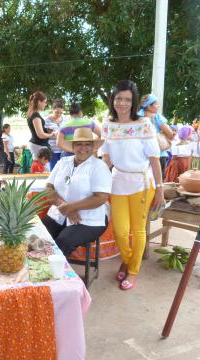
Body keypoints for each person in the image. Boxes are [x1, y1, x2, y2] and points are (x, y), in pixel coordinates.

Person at [101, 80, 164, 291]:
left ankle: (133, 270)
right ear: (113, 100)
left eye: (127, 99)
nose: (122, 103)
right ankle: (128, 260)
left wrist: (161, 189)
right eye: (119, 98)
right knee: (120, 231)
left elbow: (155, 159)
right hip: (117, 182)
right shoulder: (108, 125)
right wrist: (98, 181)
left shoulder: (144, 124)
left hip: (142, 183)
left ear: (134, 102)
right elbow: (107, 159)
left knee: (137, 231)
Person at [42, 128, 111, 256]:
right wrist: (64, 206)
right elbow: (48, 188)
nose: (83, 148)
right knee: (39, 237)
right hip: (59, 213)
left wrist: (71, 207)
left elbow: (101, 198)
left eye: (87, 144)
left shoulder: (99, 167)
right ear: (73, 146)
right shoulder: (63, 162)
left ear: (93, 147)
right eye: (79, 144)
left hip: (89, 220)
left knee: (63, 241)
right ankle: (38, 269)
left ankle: (53, 273)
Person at [138, 94, 174, 177]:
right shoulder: (156, 117)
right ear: (149, 106)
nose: (158, 106)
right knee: (158, 181)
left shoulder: (137, 117)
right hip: (158, 154)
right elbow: (170, 134)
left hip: (141, 155)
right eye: (156, 104)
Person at [26, 91, 56, 160]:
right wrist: (52, 134)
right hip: (38, 145)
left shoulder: (32, 113)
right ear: (39, 102)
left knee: (40, 168)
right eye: (45, 102)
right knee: (41, 169)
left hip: (38, 144)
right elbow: (40, 135)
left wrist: (46, 130)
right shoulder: (35, 115)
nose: (45, 104)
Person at [44, 99, 65, 170]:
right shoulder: (46, 120)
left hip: (64, 150)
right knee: (53, 171)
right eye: (57, 112)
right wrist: (53, 134)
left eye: (61, 113)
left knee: (63, 171)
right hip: (52, 150)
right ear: (52, 109)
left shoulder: (65, 120)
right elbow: (43, 135)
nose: (59, 114)